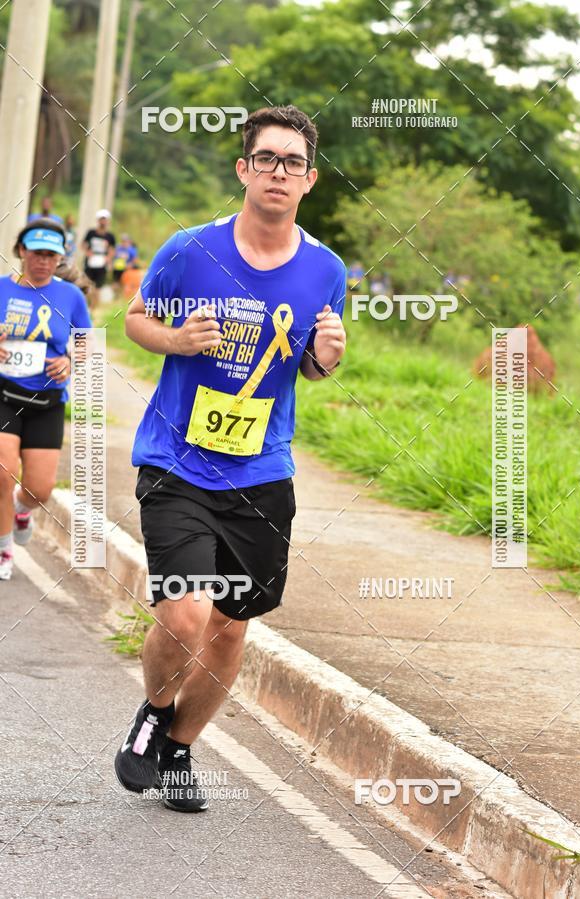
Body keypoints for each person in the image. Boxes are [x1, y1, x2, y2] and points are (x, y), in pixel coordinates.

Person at [115, 104, 347, 812]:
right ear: (244, 169)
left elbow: (309, 364)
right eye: (267, 158)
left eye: (295, 162)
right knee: (184, 615)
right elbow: (134, 319)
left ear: (311, 180)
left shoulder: (326, 269)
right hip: (177, 462)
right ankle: (154, 710)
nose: (280, 171)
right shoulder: (189, 249)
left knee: (229, 628)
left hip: (262, 474)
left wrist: (325, 362)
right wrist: (176, 341)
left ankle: (180, 747)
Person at [0, 218, 92, 580]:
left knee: (39, 489)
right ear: (22, 252)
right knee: (3, 474)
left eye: (51, 255)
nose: (43, 261)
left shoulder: (71, 297)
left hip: (47, 401)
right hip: (4, 393)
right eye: (37, 253)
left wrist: (69, 361)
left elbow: (86, 342)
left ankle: (22, 511)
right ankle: (5, 548)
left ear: (60, 259)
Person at [82, 209, 116, 291]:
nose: (103, 222)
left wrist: (108, 258)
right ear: (98, 220)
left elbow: (112, 249)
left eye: (105, 219)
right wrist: (87, 252)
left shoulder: (110, 236)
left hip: (102, 262)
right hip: (90, 261)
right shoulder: (91, 233)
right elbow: (83, 244)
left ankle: (95, 303)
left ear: (108, 221)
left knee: (98, 286)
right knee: (87, 283)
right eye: (101, 219)